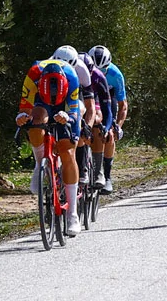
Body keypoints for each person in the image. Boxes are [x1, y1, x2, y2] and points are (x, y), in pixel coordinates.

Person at [16, 58, 84, 236]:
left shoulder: (72, 77)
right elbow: (25, 108)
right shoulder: (34, 74)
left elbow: (74, 113)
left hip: (65, 105)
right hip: (41, 102)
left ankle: (72, 214)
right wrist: (22, 117)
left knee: (68, 151)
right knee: (36, 122)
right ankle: (40, 165)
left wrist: (67, 117)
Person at [89, 45, 127, 192]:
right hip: (91, 96)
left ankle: (108, 176)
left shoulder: (115, 74)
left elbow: (123, 105)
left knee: (109, 133)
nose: (100, 72)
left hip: (108, 99)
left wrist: (118, 125)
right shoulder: (84, 69)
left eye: (103, 69)